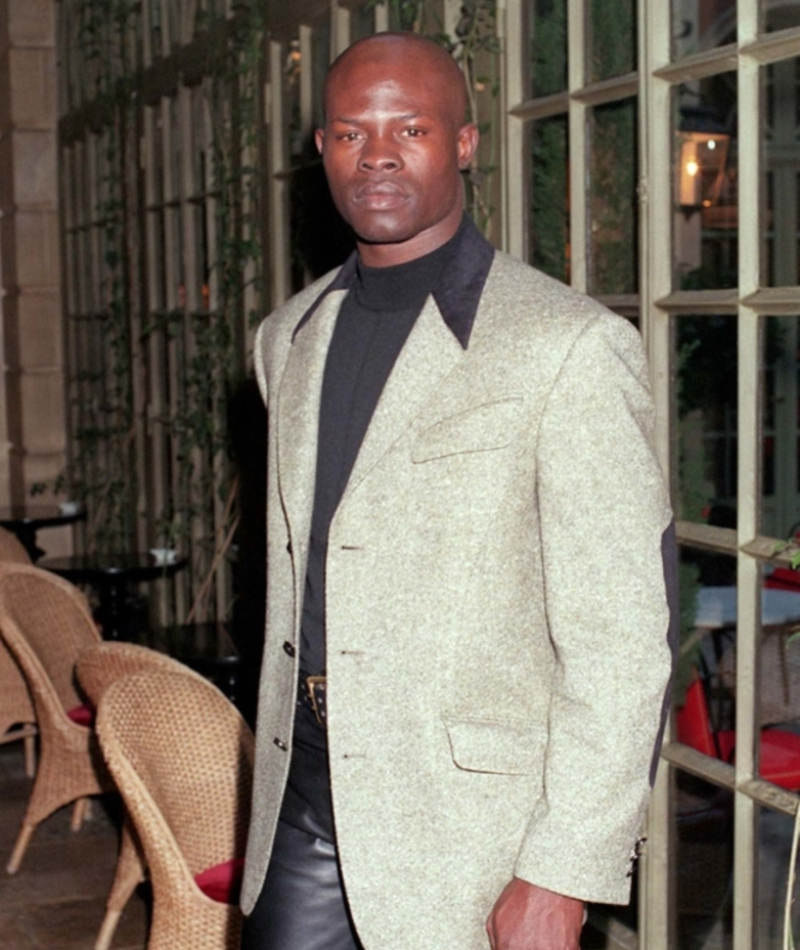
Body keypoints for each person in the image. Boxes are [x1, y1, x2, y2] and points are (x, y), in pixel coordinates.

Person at [240, 31, 676, 950]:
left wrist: (562, 869)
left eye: (413, 128)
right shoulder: (288, 339)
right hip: (306, 788)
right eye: (352, 132)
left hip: (475, 823)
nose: (380, 154)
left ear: (466, 143)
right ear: (321, 150)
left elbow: (622, 640)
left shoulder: (568, 347)